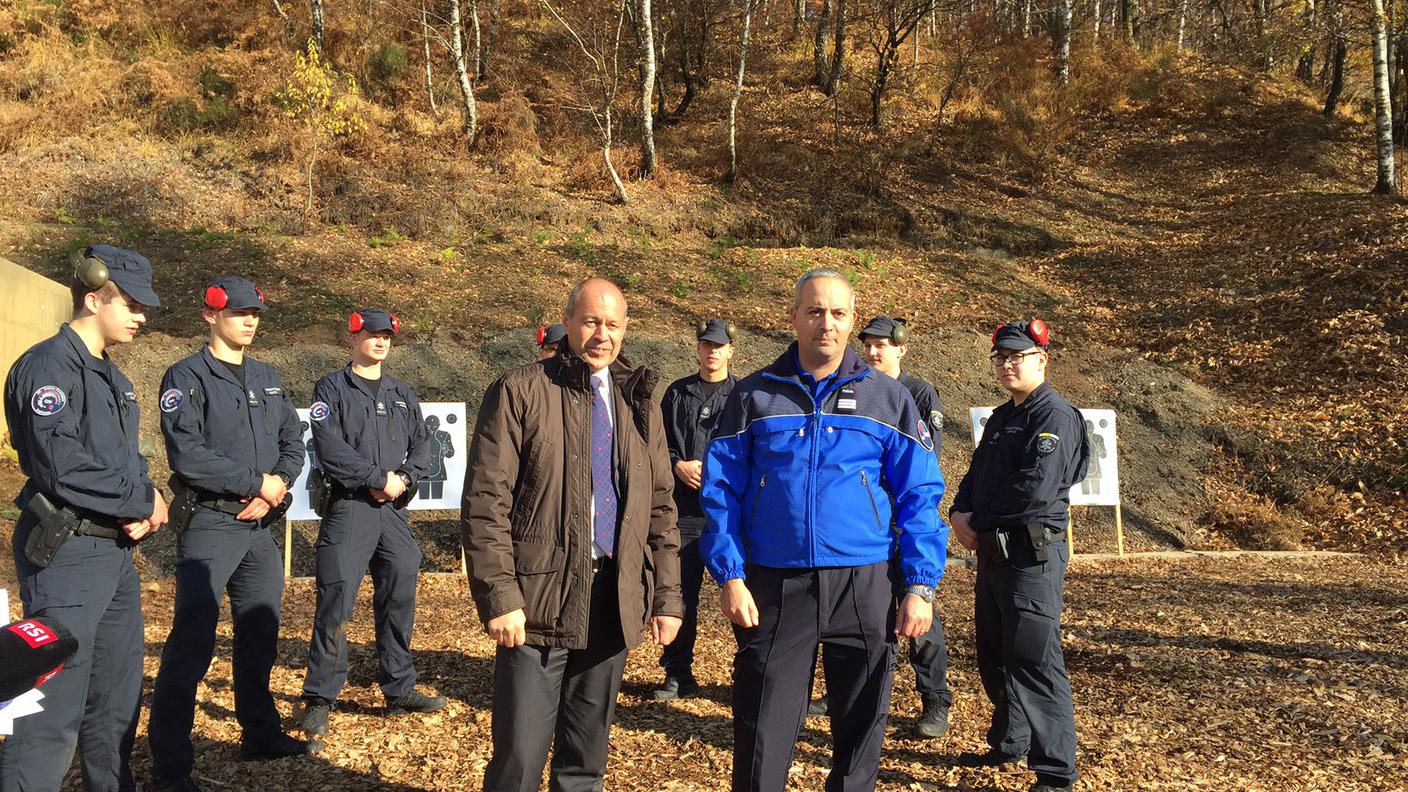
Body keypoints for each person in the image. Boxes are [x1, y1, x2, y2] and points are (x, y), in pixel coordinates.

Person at [700, 269, 947, 792]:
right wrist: (729, 575)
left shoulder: (889, 398)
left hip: (864, 585)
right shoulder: (752, 396)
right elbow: (721, 493)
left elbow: (920, 496)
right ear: (793, 318)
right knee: (761, 729)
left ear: (852, 321)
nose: (826, 323)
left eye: (837, 313)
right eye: (814, 311)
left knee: (860, 733)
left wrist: (920, 586)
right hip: (775, 585)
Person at [463, 278, 683, 792]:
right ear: (567, 323)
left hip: (613, 596)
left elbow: (660, 505)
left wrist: (667, 596)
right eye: (590, 321)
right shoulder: (520, 389)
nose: (601, 335)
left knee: (585, 757)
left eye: (612, 325)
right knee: (519, 757)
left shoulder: (639, 400)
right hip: (537, 600)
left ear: (625, 331)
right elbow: (484, 502)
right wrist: (499, 595)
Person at [1, 245, 168, 792]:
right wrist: (141, 501)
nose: (142, 316)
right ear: (93, 299)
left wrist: (144, 499)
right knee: (52, 708)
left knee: (117, 699)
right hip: (68, 554)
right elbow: (62, 467)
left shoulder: (112, 379)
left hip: (113, 554)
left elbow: (122, 460)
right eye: (133, 304)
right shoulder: (48, 367)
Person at [147, 277, 312, 792]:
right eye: (239, 312)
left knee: (259, 634)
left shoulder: (266, 376)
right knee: (192, 642)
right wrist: (253, 483)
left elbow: (293, 438)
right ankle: (170, 765)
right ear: (209, 316)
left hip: (260, 525)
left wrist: (277, 485)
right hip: (212, 524)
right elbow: (188, 455)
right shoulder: (185, 377)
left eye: (256, 314)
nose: (250, 321)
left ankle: (259, 734)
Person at [949, 319, 1089, 792]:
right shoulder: (1004, 416)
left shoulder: (1054, 416)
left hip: (1031, 557)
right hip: (994, 555)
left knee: (1034, 662)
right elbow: (976, 473)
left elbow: (1034, 488)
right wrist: (959, 511)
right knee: (995, 655)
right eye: (1001, 357)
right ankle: (1012, 741)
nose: (1008, 364)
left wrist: (979, 518)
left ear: (1042, 360)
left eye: (1018, 356)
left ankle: (1055, 773)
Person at [299, 308, 445, 737]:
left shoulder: (402, 392)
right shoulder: (332, 387)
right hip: (350, 508)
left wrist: (404, 478)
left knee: (400, 590)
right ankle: (319, 697)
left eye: (386, 336)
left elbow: (425, 445)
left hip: (392, 512)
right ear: (353, 336)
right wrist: (377, 478)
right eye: (372, 334)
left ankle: (398, 687)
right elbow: (330, 448)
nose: (380, 342)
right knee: (336, 602)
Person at [809, 315, 949, 738]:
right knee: (848, 621)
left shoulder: (919, 394)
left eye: (883, 345)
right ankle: (839, 693)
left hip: (899, 526)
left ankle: (935, 699)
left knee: (921, 616)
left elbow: (923, 463)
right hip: (862, 531)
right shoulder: (849, 386)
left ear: (901, 349)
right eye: (868, 344)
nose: (873, 352)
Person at [652, 318, 739, 700]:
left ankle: (750, 671)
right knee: (679, 593)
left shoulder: (744, 396)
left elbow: (753, 450)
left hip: (728, 515)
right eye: (706, 345)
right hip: (684, 513)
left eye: (719, 346)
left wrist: (718, 474)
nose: (712, 352)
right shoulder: (677, 393)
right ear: (698, 349)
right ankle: (677, 672)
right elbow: (657, 442)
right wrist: (676, 464)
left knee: (741, 592)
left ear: (731, 351)